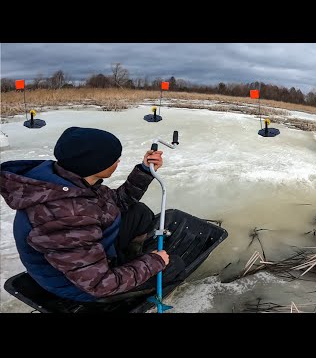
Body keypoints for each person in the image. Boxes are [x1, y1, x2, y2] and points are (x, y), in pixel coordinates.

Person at [0, 126, 184, 302]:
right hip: (81, 287)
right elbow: (99, 284)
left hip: (85, 260)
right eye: (114, 158)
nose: (118, 161)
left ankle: (129, 261)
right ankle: (132, 271)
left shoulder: (70, 179)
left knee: (138, 212)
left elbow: (117, 202)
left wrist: (144, 170)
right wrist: (153, 263)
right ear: (94, 165)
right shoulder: (64, 216)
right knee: (174, 266)